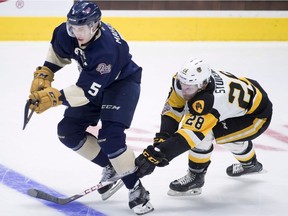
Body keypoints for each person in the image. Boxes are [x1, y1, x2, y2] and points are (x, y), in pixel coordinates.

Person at [27, 1, 153, 214]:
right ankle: (113, 166)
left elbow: (85, 93)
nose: (76, 33)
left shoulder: (106, 51)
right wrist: (46, 72)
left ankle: (137, 189)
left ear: (95, 26)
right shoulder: (69, 31)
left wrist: (53, 97)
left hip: (122, 84)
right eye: (73, 27)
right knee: (67, 132)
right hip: (95, 82)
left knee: (110, 137)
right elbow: (58, 52)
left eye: (82, 28)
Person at [135, 57, 273, 196]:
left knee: (212, 134)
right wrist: (163, 136)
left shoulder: (212, 102)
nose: (184, 90)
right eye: (182, 83)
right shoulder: (186, 82)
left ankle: (197, 176)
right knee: (215, 132)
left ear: (202, 84)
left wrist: (159, 154)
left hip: (255, 115)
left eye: (189, 87)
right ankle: (251, 164)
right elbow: (173, 109)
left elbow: (190, 136)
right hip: (241, 97)